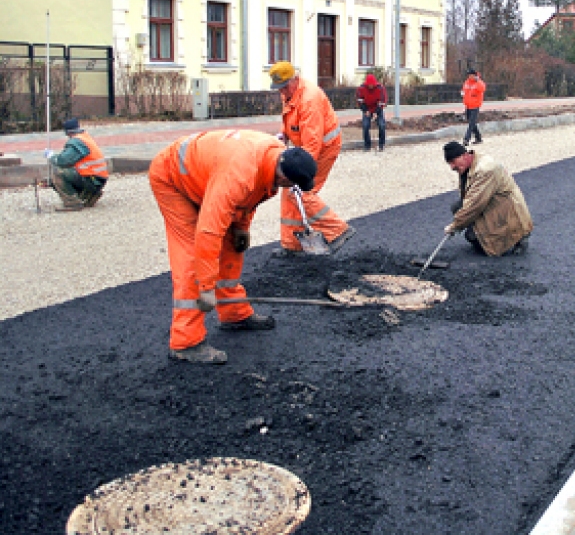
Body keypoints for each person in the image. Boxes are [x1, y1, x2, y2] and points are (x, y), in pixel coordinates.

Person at [149, 130, 318, 364]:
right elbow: (208, 230)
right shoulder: (239, 174)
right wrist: (206, 287)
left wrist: (241, 228)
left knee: (232, 247)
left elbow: (248, 198)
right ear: (285, 178)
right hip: (174, 179)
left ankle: (234, 314)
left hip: (207, 177)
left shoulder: (273, 157)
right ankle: (186, 342)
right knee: (191, 257)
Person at [270, 61, 355, 255]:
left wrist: (299, 172)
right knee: (288, 190)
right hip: (306, 147)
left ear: (294, 79)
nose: (281, 92)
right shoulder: (290, 93)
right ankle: (292, 245)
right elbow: (291, 119)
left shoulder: (309, 100)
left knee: (299, 190)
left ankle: (337, 230)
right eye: (279, 88)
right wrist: (283, 135)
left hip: (323, 149)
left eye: (284, 87)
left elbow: (313, 144)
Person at [443, 141, 532, 257]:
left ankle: (519, 236)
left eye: (453, 162)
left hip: (506, 209)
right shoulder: (467, 166)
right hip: (490, 203)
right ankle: (482, 234)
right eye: (449, 163)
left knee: (485, 242)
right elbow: (467, 197)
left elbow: (474, 204)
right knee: (458, 209)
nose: (452, 167)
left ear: (464, 156)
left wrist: (455, 226)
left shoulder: (486, 169)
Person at [44, 118, 108, 210]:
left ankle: (72, 203)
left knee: (58, 173)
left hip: (92, 180)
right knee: (63, 175)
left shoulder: (76, 142)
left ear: (68, 132)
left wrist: (51, 156)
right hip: (97, 179)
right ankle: (88, 196)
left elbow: (63, 161)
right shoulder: (85, 137)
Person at [356, 73, 388, 152]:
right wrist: (365, 110)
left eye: (372, 85)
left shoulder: (380, 88)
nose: (371, 86)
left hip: (378, 109)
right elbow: (360, 101)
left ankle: (381, 145)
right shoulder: (361, 89)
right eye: (369, 85)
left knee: (382, 125)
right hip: (367, 109)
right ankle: (367, 145)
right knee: (365, 125)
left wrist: (376, 112)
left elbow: (382, 102)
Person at [461, 69, 486, 146]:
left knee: (471, 123)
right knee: (472, 122)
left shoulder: (479, 83)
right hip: (468, 105)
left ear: (475, 75)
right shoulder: (467, 82)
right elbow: (464, 90)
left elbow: (482, 89)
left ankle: (466, 139)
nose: (469, 76)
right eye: (469, 75)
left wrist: (478, 81)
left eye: (471, 75)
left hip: (475, 106)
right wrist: (463, 94)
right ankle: (478, 138)